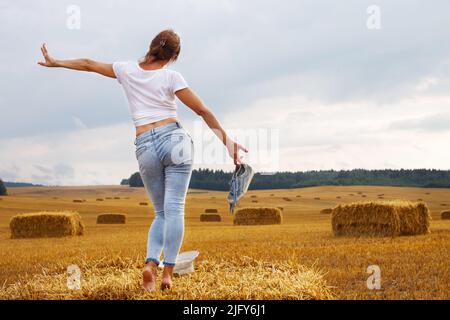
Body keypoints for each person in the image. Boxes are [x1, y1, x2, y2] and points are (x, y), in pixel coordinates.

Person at [38, 29, 248, 292]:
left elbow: (89, 64)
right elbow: (202, 110)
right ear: (173, 56)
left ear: (151, 47)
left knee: (160, 213)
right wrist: (229, 144)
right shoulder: (172, 76)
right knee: (175, 210)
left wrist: (56, 62)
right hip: (174, 140)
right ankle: (168, 272)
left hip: (145, 144)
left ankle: (150, 264)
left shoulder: (126, 70)